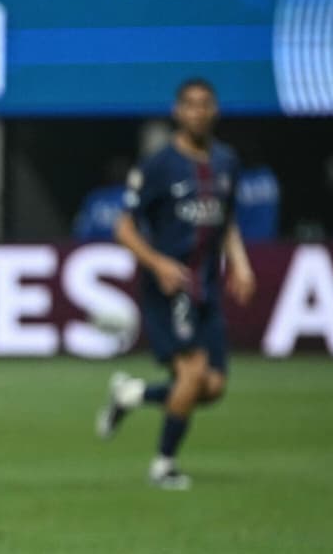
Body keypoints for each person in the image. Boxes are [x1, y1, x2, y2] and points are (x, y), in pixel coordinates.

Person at [96, 78, 256, 489]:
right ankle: (163, 465)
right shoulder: (159, 165)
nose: (198, 112)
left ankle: (131, 394)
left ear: (215, 110)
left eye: (205, 104)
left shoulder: (226, 162)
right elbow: (123, 228)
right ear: (177, 112)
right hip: (170, 288)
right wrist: (158, 263)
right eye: (190, 105)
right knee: (193, 373)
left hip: (207, 287)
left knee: (213, 387)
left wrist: (239, 264)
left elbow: (226, 221)